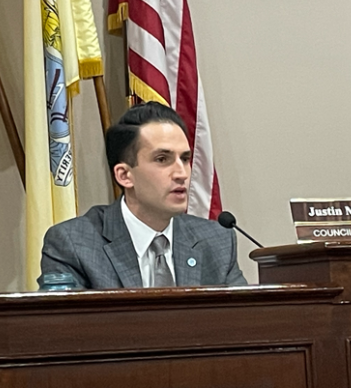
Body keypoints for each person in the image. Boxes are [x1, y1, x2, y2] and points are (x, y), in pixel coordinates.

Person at [38, 101, 247, 289]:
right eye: (162, 159)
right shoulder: (74, 244)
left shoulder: (217, 242)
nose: (182, 174)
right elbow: (65, 319)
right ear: (124, 175)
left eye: (184, 159)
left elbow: (243, 317)